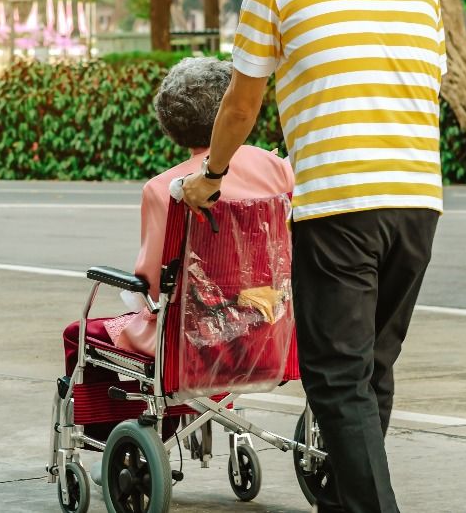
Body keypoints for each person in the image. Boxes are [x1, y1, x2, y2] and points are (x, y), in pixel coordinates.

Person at [180, 0, 443, 513]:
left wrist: (210, 176)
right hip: (417, 203)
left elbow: (242, 103)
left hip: (337, 206)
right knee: (371, 371)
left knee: (336, 378)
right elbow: (427, 85)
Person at [62, 57, 294, 383]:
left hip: (192, 347)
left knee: (80, 333)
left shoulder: (164, 189)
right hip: (269, 338)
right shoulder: (277, 169)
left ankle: (145, 430)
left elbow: (154, 284)